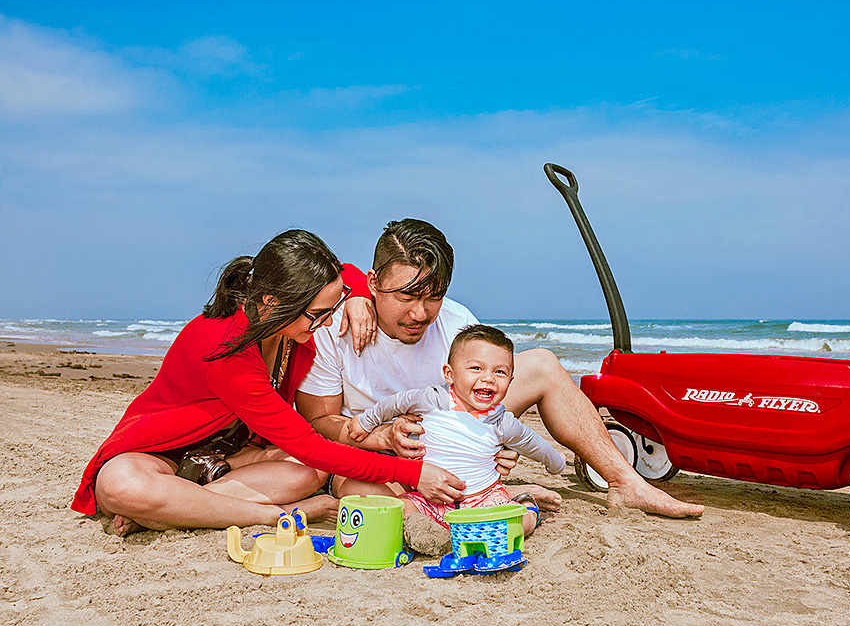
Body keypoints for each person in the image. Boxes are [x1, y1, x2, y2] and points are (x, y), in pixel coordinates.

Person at [296, 219, 704, 519]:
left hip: (456, 433)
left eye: (433, 297)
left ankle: (624, 482)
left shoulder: (457, 321)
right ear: (373, 281)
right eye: (407, 295)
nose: (420, 312)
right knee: (372, 498)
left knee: (542, 363)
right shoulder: (338, 327)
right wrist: (381, 435)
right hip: (380, 452)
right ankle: (493, 499)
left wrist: (491, 438)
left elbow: (488, 385)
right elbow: (317, 422)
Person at [71, 229, 464, 536]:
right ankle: (273, 516)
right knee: (119, 486)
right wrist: (413, 475)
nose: (327, 323)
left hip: (232, 460)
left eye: (332, 308)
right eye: (318, 315)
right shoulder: (225, 349)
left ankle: (176, 509)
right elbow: (308, 444)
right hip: (167, 455)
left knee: (308, 472)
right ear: (273, 304)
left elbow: (347, 271)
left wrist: (359, 295)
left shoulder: (288, 314)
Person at [346, 324, 567, 553]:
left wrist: (556, 462)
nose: (489, 379)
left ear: (510, 381)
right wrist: (366, 421)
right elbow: (394, 404)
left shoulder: (502, 423)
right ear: (449, 374)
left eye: (499, 372)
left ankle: (529, 509)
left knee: (508, 527)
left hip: (482, 500)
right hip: (429, 497)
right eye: (476, 368)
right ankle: (436, 534)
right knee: (399, 509)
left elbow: (535, 445)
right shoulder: (431, 400)